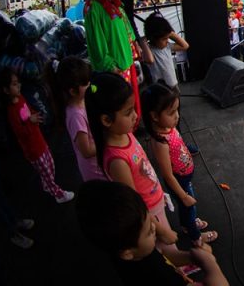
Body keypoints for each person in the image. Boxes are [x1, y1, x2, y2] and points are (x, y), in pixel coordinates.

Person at [86, 71, 185, 263]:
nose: (135, 116)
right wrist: (162, 231)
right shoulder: (117, 161)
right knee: (167, 252)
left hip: (155, 202)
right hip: (148, 214)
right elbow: (135, 206)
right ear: (106, 120)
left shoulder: (124, 133)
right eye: (128, 112)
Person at [75, 180, 228, 286]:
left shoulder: (134, 250)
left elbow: (165, 258)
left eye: (151, 222)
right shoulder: (154, 277)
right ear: (127, 253)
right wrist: (211, 265)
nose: (155, 228)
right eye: (148, 231)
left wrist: (193, 257)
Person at [142, 83, 217, 247]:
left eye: (177, 110)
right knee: (189, 206)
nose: (177, 116)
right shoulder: (160, 142)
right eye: (171, 113)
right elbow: (168, 175)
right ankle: (196, 238)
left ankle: (187, 225)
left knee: (187, 208)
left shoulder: (169, 128)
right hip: (179, 181)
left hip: (185, 177)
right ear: (154, 116)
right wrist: (183, 196)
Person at [0, 68, 74, 204]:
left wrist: (35, 116)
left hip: (40, 141)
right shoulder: (11, 112)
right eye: (14, 84)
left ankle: (47, 184)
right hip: (33, 150)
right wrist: (30, 121)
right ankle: (58, 194)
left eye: (18, 82)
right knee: (46, 172)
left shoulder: (21, 98)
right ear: (6, 90)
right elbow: (20, 132)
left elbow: (29, 110)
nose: (19, 85)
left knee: (50, 165)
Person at [84, 0, 141, 124]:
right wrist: (112, 68)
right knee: (120, 113)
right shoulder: (93, 6)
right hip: (115, 69)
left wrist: (135, 43)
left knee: (131, 110)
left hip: (126, 61)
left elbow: (125, 23)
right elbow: (96, 44)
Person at [50, 56, 106, 181]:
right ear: (73, 91)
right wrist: (106, 140)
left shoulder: (83, 101)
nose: (90, 85)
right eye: (86, 84)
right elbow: (86, 151)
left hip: (100, 163)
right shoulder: (76, 116)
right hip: (95, 171)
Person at [143, 13, 189, 91]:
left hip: (173, 85)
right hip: (160, 89)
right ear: (153, 38)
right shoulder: (148, 49)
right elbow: (150, 60)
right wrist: (143, 43)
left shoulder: (167, 46)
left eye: (168, 38)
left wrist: (171, 33)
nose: (167, 41)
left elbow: (185, 46)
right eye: (164, 39)